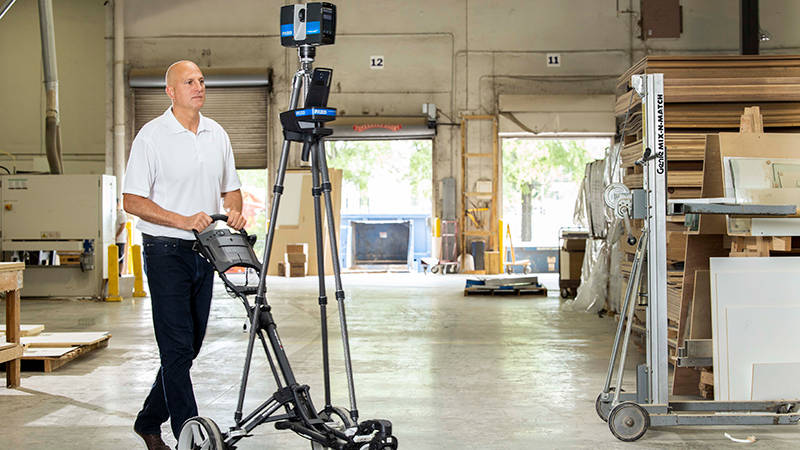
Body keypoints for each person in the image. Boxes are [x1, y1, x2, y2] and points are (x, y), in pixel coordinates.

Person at [123, 60, 246, 450]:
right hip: (164, 251)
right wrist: (182, 220)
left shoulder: (216, 133)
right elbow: (131, 201)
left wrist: (237, 209)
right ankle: (189, 434)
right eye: (189, 81)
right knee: (175, 347)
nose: (199, 86)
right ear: (170, 92)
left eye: (202, 80)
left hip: (204, 251)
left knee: (189, 346)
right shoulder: (152, 136)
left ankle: (147, 421)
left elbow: (232, 189)